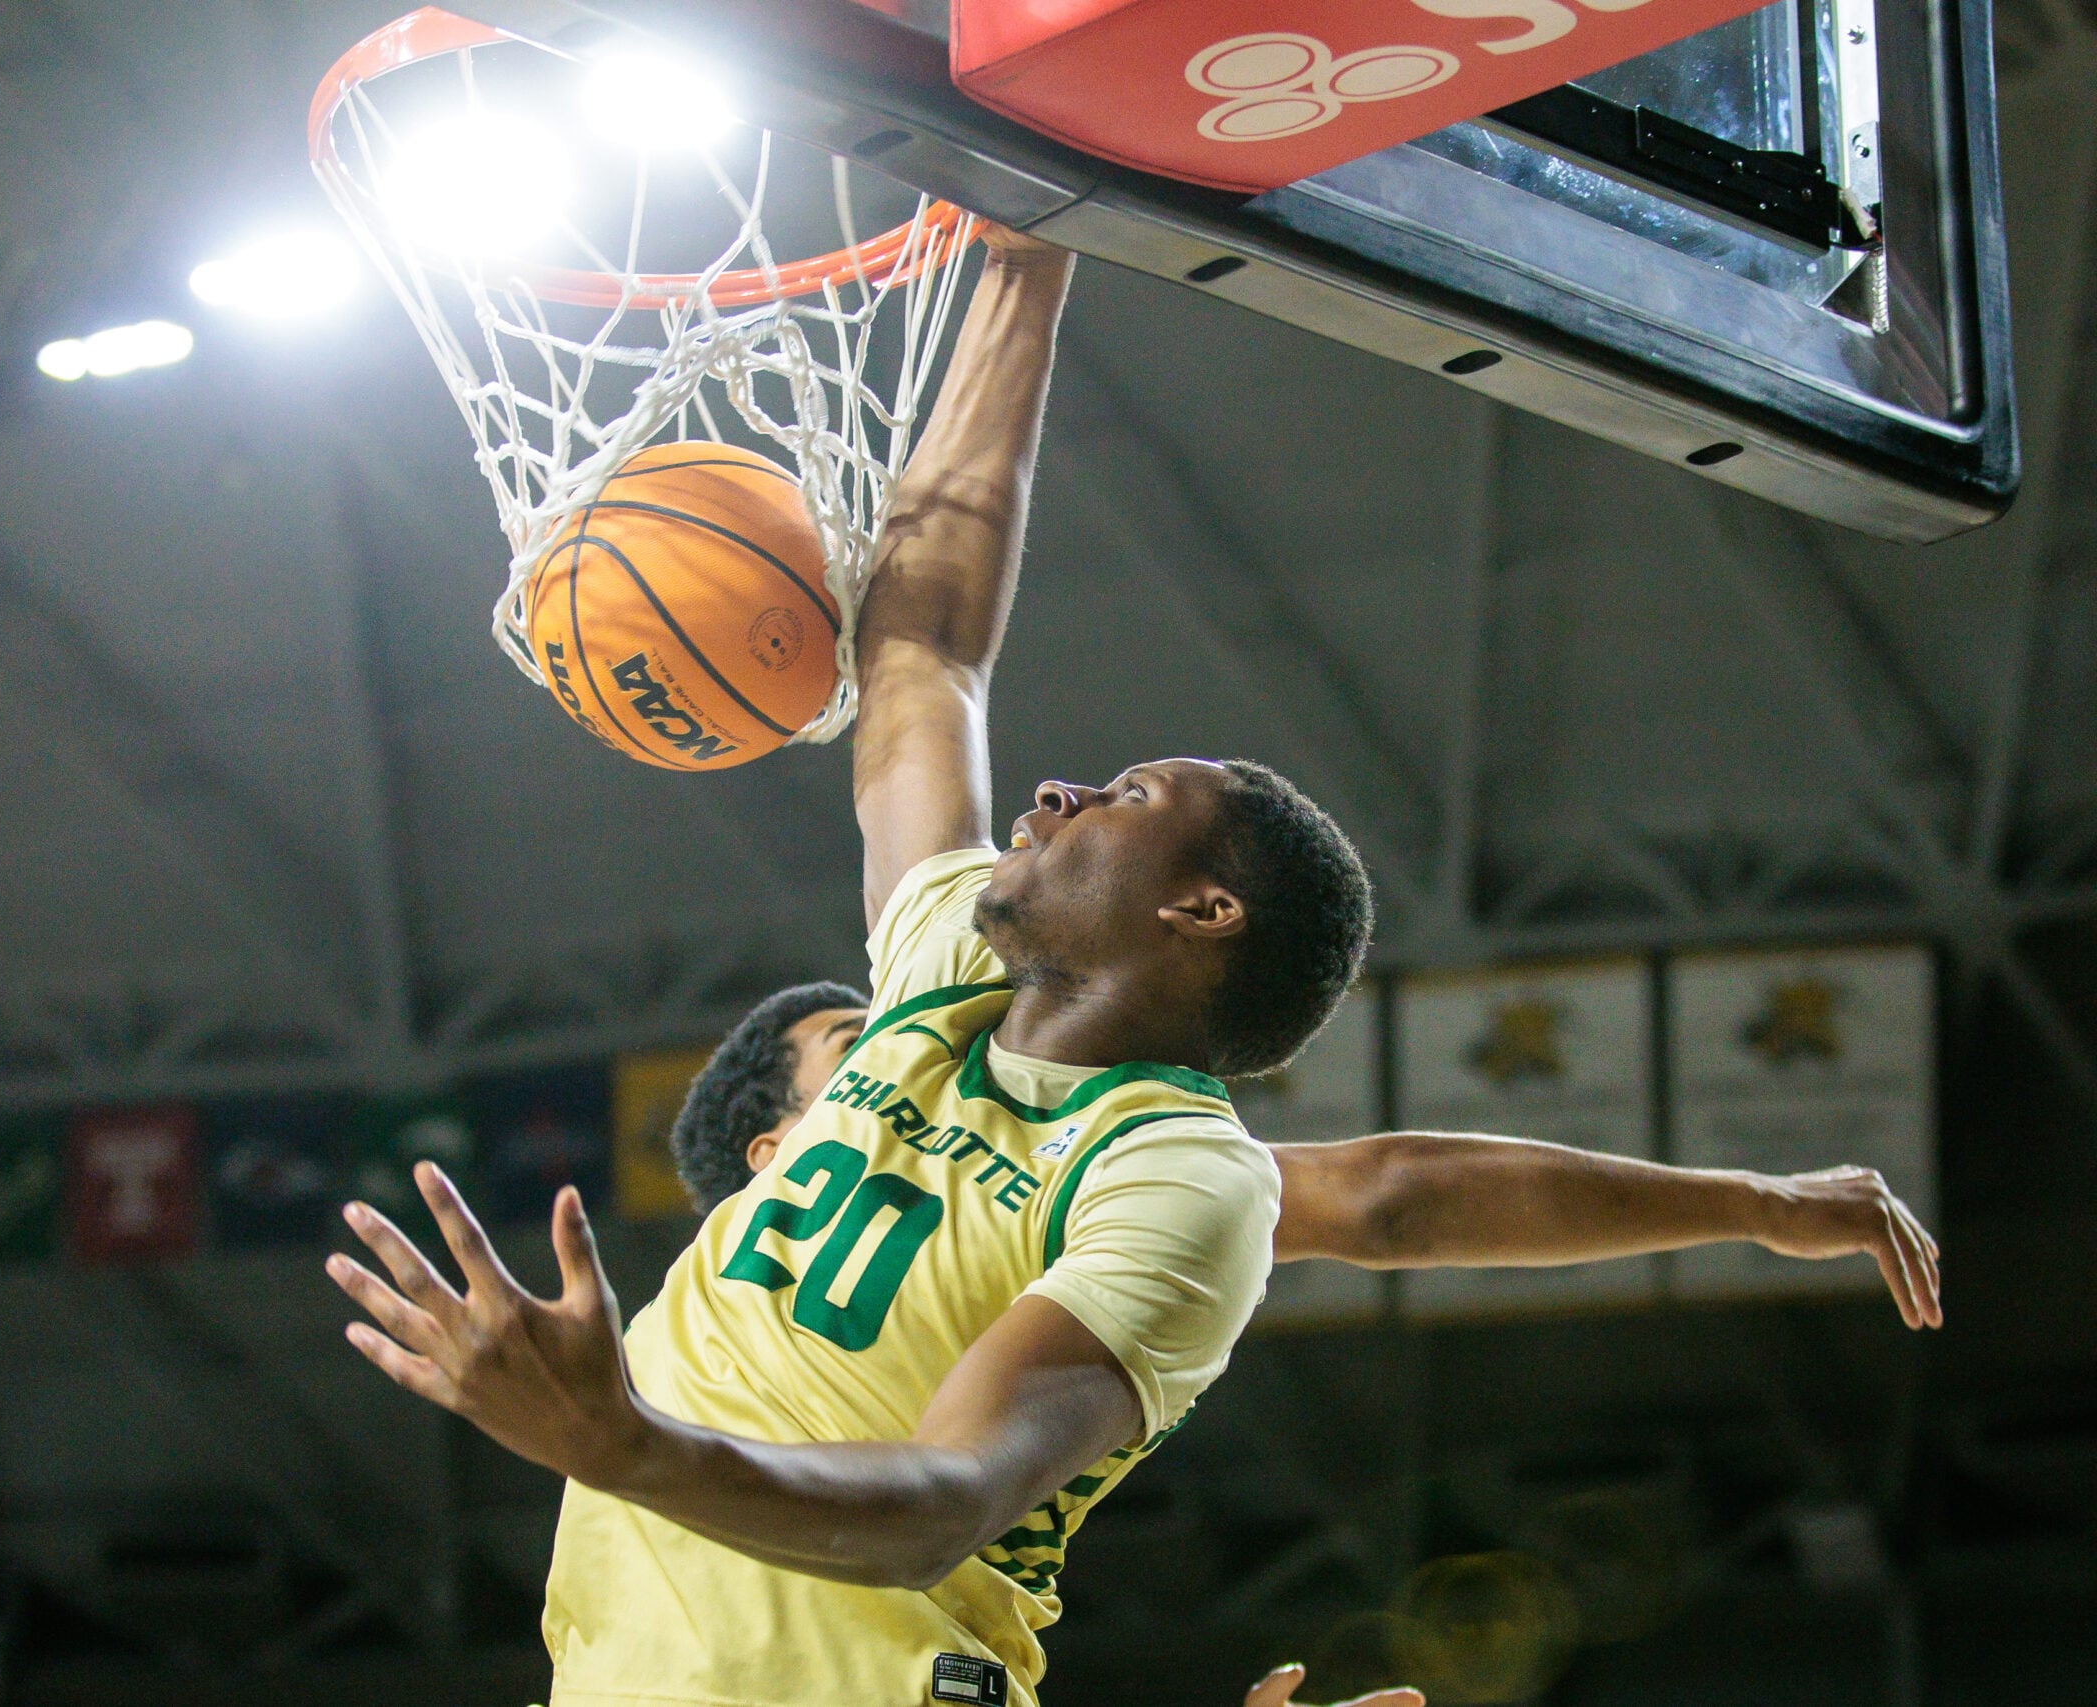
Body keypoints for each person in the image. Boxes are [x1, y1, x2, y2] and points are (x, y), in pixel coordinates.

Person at [326, 229, 1936, 1707]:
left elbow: (944, 1502)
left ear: (1204, 912)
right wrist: (1028, 252)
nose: (1055, 791)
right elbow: (928, 650)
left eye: (1127, 798)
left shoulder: (1172, 1169)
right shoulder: (942, 978)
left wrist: (623, 1439)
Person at [668, 979, 1942, 1323]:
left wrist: (1759, 1201)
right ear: (778, 1155)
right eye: (855, 1037)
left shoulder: (1052, 1181)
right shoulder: (700, 1333)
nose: (900, 1036)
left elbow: (1386, 1200)